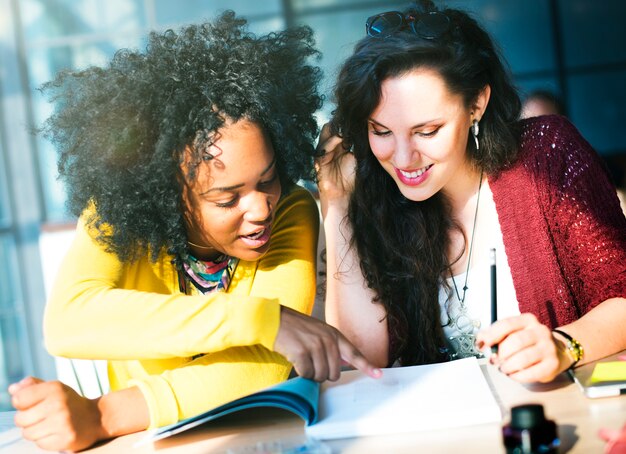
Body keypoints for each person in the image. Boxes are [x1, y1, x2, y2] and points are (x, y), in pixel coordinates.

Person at [9, 12, 379, 452]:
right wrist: (260, 318)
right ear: (169, 196)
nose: (261, 208)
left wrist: (103, 414)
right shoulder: (117, 218)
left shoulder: (292, 210)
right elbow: (68, 320)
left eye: (268, 179)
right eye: (227, 199)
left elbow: (265, 364)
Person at [316, 0, 626, 387]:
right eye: (380, 131)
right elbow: (359, 361)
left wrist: (564, 345)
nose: (402, 158)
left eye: (427, 131)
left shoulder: (547, 154)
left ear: (476, 103)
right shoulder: (375, 195)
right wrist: (338, 201)